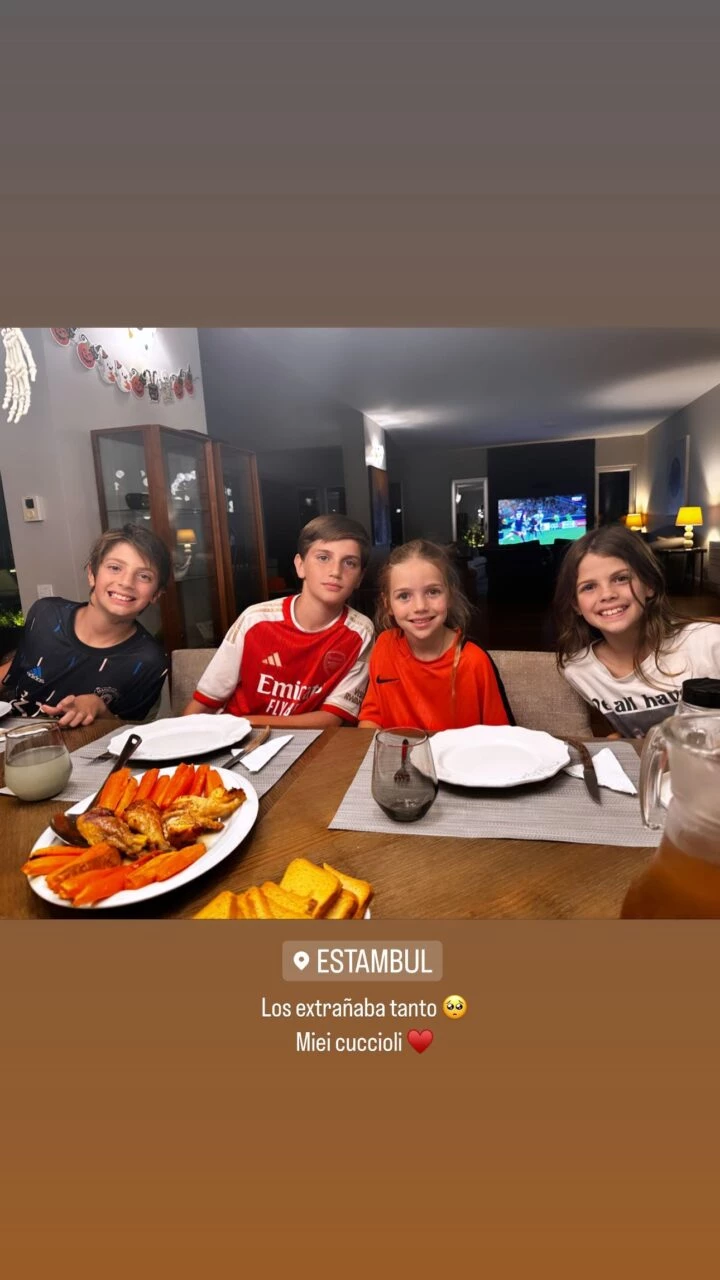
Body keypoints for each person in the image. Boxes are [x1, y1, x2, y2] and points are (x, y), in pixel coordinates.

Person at [183, 514, 374, 727]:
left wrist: (245, 722)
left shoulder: (361, 632)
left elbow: (331, 718)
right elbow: (205, 702)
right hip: (235, 735)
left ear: (360, 577)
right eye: (323, 558)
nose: (335, 571)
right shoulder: (255, 620)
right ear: (300, 565)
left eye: (349, 563)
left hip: (303, 739)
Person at [554, 524, 720, 738]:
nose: (607, 594)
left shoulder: (708, 641)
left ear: (649, 584)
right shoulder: (579, 671)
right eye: (589, 587)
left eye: (621, 578)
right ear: (576, 604)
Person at [1, 524, 171, 727]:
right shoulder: (46, 615)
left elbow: (130, 735)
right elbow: (13, 674)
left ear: (156, 594)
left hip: (82, 745)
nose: (126, 582)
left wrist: (100, 708)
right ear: (92, 573)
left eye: (144, 576)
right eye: (115, 568)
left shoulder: (148, 661)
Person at [359, 539, 513, 732]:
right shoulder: (384, 645)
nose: (420, 607)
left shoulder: (475, 661)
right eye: (404, 596)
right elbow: (372, 715)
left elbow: (500, 737)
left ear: (449, 595)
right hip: (396, 751)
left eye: (433, 592)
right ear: (388, 604)